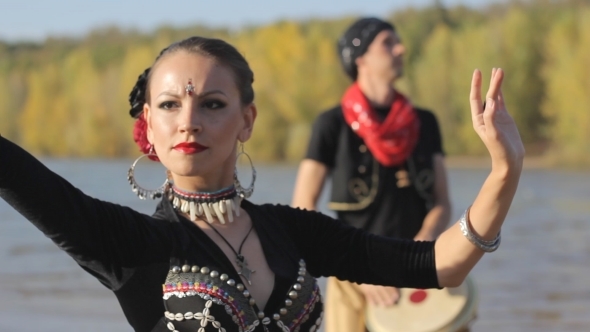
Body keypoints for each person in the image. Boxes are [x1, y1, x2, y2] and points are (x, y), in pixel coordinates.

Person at [0, 35, 523, 332]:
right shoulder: (129, 244)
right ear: (149, 129)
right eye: (169, 105)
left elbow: (439, 263)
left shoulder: (294, 233)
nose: (189, 121)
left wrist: (504, 170)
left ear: (246, 120)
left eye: (211, 104)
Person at [291, 17, 452, 331]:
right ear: (360, 58)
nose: (401, 48)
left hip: (419, 272)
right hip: (352, 280)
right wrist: (356, 272)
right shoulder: (330, 124)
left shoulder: (426, 122)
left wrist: (425, 243)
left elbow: (442, 201)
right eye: (388, 43)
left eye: (398, 41)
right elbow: (303, 210)